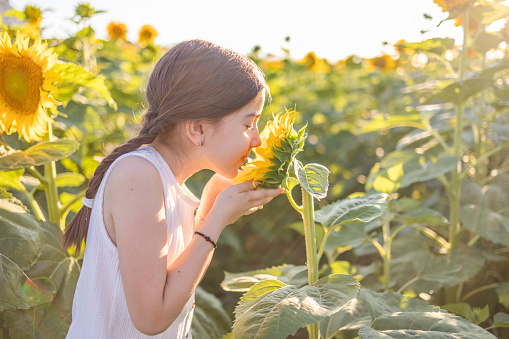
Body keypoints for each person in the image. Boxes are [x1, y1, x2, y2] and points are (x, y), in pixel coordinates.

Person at [63, 39, 283, 338]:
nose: (256, 140)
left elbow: (171, 282)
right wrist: (216, 220)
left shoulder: (163, 178)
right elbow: (151, 319)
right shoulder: (137, 176)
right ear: (198, 129)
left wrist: (209, 206)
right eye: (248, 125)